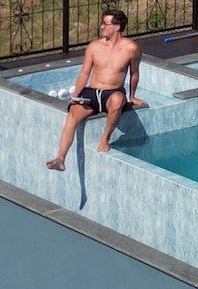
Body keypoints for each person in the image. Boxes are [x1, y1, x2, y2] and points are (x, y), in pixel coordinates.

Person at [45, 9, 147, 170]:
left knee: (118, 101)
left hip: (112, 92)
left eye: (105, 24)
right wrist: (76, 94)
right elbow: (84, 73)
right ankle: (60, 159)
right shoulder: (94, 47)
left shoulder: (131, 48)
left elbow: (134, 73)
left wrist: (132, 96)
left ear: (117, 27)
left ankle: (105, 138)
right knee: (72, 116)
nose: (101, 27)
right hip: (92, 92)